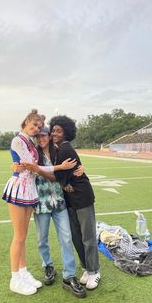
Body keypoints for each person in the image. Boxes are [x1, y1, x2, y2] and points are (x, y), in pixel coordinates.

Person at [2, 110, 77, 296]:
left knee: (23, 236)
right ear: (26, 121)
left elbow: (30, 166)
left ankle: (23, 272)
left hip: (31, 191)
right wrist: (59, 167)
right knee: (21, 236)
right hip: (21, 189)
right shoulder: (19, 140)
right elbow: (32, 166)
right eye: (34, 126)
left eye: (40, 128)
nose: (37, 130)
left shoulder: (32, 144)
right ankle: (15, 277)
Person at [21, 126, 86, 298]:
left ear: (49, 136)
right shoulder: (33, 153)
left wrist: (81, 167)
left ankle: (69, 276)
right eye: (38, 136)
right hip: (41, 203)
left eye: (44, 135)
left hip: (59, 202)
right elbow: (36, 172)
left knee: (66, 238)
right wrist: (56, 170)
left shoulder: (59, 151)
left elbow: (72, 165)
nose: (41, 138)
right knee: (42, 239)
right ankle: (48, 266)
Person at [49, 115, 101, 290]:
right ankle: (86, 267)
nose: (55, 133)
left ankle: (95, 270)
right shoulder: (57, 149)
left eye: (59, 130)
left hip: (82, 196)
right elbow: (62, 177)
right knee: (76, 236)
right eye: (53, 130)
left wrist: (37, 170)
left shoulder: (65, 149)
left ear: (66, 133)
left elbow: (57, 176)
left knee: (87, 236)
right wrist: (64, 182)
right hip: (70, 199)